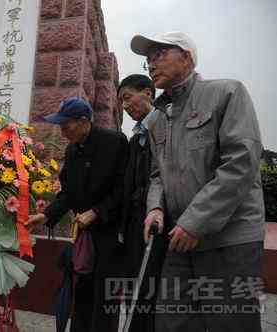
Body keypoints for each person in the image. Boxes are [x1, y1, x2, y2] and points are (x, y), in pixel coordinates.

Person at [130, 31, 265, 331]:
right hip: (180, 238)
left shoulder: (227, 93)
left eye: (160, 54)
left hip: (229, 238)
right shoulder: (155, 119)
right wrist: (155, 208)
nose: (151, 64)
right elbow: (157, 175)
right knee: (171, 322)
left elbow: (241, 162)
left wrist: (196, 221)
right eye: (147, 61)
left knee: (230, 321)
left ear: (187, 56)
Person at [26, 96, 128, 332]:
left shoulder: (114, 142)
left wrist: (97, 212)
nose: (62, 131)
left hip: (110, 234)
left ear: (83, 121)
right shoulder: (73, 150)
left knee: (105, 297)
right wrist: (47, 215)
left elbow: (124, 188)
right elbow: (68, 193)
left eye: (66, 125)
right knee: (81, 292)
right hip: (85, 234)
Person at [118, 74, 167, 332]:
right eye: (121, 102)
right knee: (135, 285)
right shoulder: (135, 136)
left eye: (128, 97)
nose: (125, 106)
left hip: (158, 220)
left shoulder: (164, 125)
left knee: (150, 287)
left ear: (148, 92)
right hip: (135, 223)